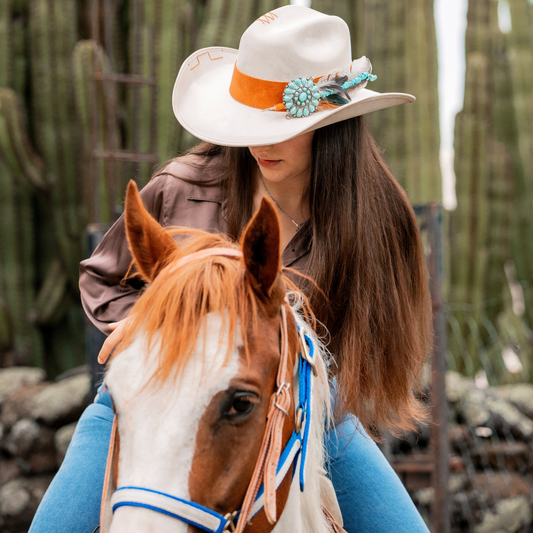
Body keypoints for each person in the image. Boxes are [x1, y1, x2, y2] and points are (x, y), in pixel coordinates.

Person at [29, 5, 432, 533]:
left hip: (312, 408)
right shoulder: (184, 187)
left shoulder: (379, 217)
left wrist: (305, 374)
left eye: (282, 124)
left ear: (332, 124)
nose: (259, 142)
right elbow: (106, 275)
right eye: (249, 121)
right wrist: (141, 330)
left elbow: (379, 343)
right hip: (154, 396)